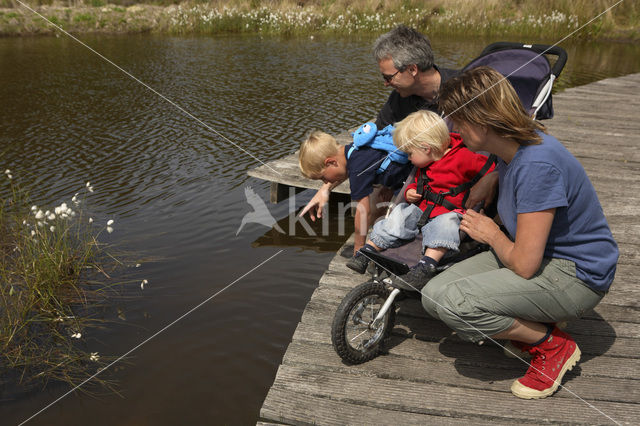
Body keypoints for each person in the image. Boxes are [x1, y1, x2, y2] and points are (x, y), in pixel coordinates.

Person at [421, 66, 618, 399]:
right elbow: (513, 167)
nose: (454, 128)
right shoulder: (511, 149)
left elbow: (525, 264)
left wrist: (490, 234)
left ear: (482, 122)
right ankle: (533, 322)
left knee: (456, 304)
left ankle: (552, 346)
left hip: (577, 273)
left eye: (459, 120)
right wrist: (492, 177)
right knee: (432, 296)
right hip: (543, 256)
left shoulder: (537, 166)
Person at [300, 24, 458, 223]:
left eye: (388, 77)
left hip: (450, 176)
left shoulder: (462, 88)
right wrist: (326, 188)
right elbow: (369, 147)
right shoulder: (398, 99)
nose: (385, 83)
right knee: (374, 206)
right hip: (411, 176)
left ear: (412, 69)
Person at [347, 110, 494, 289]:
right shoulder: (425, 162)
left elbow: (492, 171)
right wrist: (409, 192)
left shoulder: (465, 157)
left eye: (409, 154)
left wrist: (489, 181)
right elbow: (416, 182)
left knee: (447, 224)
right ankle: (369, 249)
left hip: (450, 212)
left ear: (426, 148)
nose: (408, 158)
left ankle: (427, 265)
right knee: (399, 215)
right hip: (422, 209)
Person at [297, 130, 411, 258]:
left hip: (413, 183)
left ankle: (370, 251)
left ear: (331, 162)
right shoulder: (354, 149)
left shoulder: (357, 169)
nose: (326, 182)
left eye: (323, 177)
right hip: (402, 177)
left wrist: (358, 249)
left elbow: (363, 212)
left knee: (389, 221)